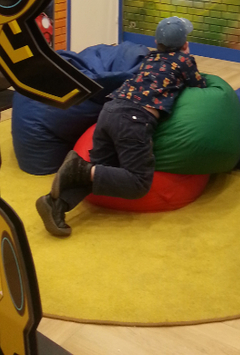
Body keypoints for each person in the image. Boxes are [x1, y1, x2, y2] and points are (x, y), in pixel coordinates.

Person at [36, 16, 207, 236]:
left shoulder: (150, 59)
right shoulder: (184, 61)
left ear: (156, 43)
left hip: (109, 110)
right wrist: (187, 58)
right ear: (185, 44)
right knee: (138, 183)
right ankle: (79, 168)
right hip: (133, 119)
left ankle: (55, 204)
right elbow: (200, 85)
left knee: (99, 170)